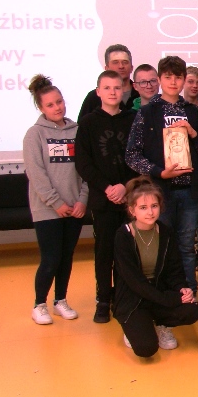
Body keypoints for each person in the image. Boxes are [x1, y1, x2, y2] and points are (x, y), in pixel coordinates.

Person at [126, 55, 198, 300]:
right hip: (160, 193)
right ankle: (165, 298)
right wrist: (159, 172)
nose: (173, 82)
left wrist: (193, 134)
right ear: (160, 79)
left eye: (178, 77)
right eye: (168, 77)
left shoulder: (193, 111)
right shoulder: (147, 112)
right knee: (162, 246)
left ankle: (190, 296)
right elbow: (132, 155)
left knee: (187, 247)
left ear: (184, 80)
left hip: (190, 192)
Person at [113, 177, 198, 357]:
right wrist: (171, 299)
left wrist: (182, 289)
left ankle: (161, 324)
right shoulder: (123, 236)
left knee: (191, 311)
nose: (150, 212)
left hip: (159, 292)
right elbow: (135, 282)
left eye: (154, 206)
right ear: (132, 210)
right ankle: (133, 327)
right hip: (134, 298)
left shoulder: (165, 232)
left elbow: (175, 270)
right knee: (146, 349)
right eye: (143, 207)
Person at [23, 74, 89, 325]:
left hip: (75, 207)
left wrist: (82, 200)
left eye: (59, 102)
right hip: (48, 209)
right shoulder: (34, 134)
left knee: (66, 257)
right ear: (41, 108)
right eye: (50, 104)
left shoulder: (77, 131)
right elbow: (36, 173)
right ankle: (39, 304)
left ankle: (60, 300)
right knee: (51, 258)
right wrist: (56, 203)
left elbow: (86, 168)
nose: (57, 107)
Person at [75, 70, 138, 323]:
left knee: (128, 251)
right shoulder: (88, 123)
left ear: (124, 90)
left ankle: (123, 296)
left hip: (130, 198)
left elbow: (139, 157)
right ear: (98, 92)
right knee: (104, 251)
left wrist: (124, 187)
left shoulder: (133, 119)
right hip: (102, 200)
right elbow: (83, 162)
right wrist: (108, 188)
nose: (113, 92)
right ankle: (103, 298)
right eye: (107, 88)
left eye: (117, 87)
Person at [78, 44, 140, 120]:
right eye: (115, 62)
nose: (121, 66)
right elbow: (82, 124)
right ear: (106, 68)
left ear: (131, 68)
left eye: (125, 62)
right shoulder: (94, 97)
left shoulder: (141, 94)